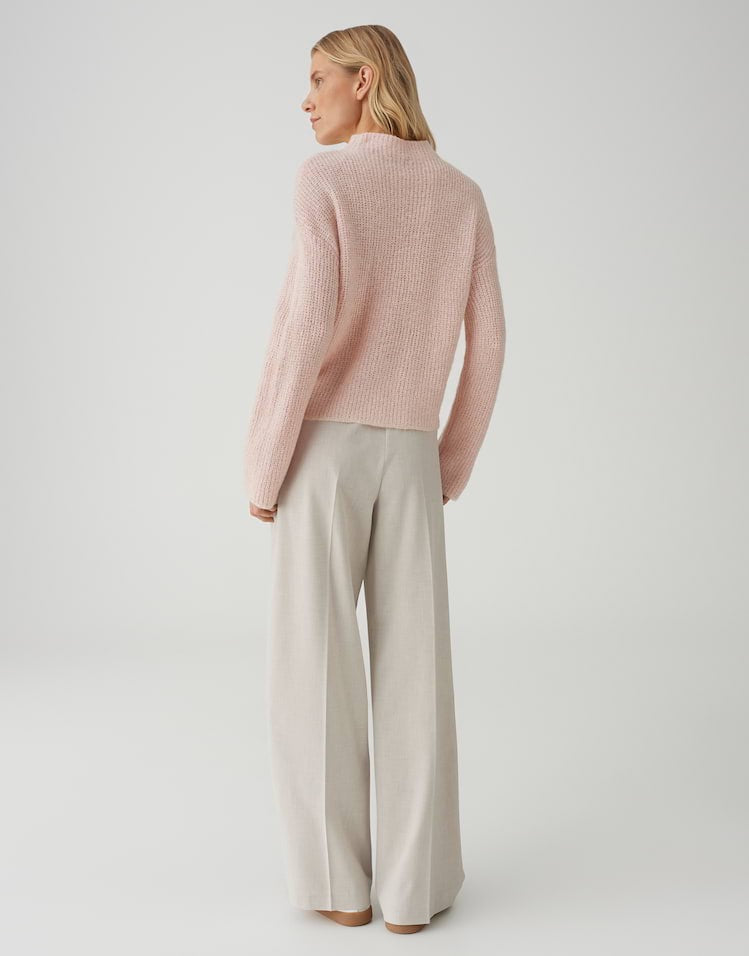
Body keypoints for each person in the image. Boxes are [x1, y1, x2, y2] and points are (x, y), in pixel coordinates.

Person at [242, 24, 506, 935]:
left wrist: (265, 462)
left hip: (322, 448)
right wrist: (446, 464)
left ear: (364, 81)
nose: (306, 97)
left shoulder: (324, 180)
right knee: (415, 672)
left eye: (319, 78)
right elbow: (490, 342)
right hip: (410, 451)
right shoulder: (460, 194)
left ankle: (339, 887)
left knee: (311, 667)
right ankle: (413, 893)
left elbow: (305, 324)